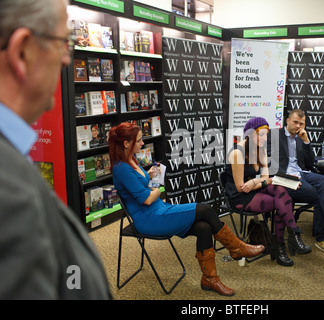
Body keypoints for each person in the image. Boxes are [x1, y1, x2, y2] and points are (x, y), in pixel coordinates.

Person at [0, 0, 111, 298]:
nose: (66, 59)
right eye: (63, 42)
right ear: (23, 52)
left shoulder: (12, 158)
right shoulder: (8, 191)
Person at [108, 122, 264, 296]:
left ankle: (210, 279)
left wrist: (149, 176)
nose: (142, 143)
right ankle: (236, 248)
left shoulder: (131, 159)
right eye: (139, 140)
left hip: (158, 209)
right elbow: (145, 199)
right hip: (149, 218)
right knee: (204, 209)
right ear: (126, 144)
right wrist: (157, 190)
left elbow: (141, 187)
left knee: (204, 227)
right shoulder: (121, 168)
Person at [224, 117, 311, 267]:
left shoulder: (260, 150)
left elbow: (265, 177)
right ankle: (284, 242)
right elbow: (240, 187)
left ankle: (286, 240)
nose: (265, 138)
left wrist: (254, 181)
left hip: (253, 188)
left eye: (266, 134)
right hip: (239, 197)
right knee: (282, 200)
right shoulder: (237, 153)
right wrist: (261, 181)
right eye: (261, 135)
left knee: (280, 192)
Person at [272, 109, 324, 255]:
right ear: (287, 121)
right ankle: (322, 238)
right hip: (286, 179)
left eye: (301, 124)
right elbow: (271, 166)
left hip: (302, 173)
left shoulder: (299, 138)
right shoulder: (275, 136)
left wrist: (306, 141)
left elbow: (310, 164)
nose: (298, 126)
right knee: (319, 195)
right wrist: (290, 179)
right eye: (295, 122)